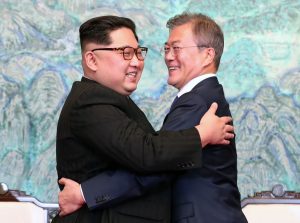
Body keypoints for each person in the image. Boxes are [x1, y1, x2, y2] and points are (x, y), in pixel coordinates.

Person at [52, 15, 234, 223]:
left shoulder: (199, 102)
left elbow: (154, 161)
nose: (137, 62)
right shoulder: (91, 101)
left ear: (207, 55)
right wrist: (203, 134)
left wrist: (84, 193)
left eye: (138, 53)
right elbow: (149, 155)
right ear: (92, 60)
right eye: (126, 53)